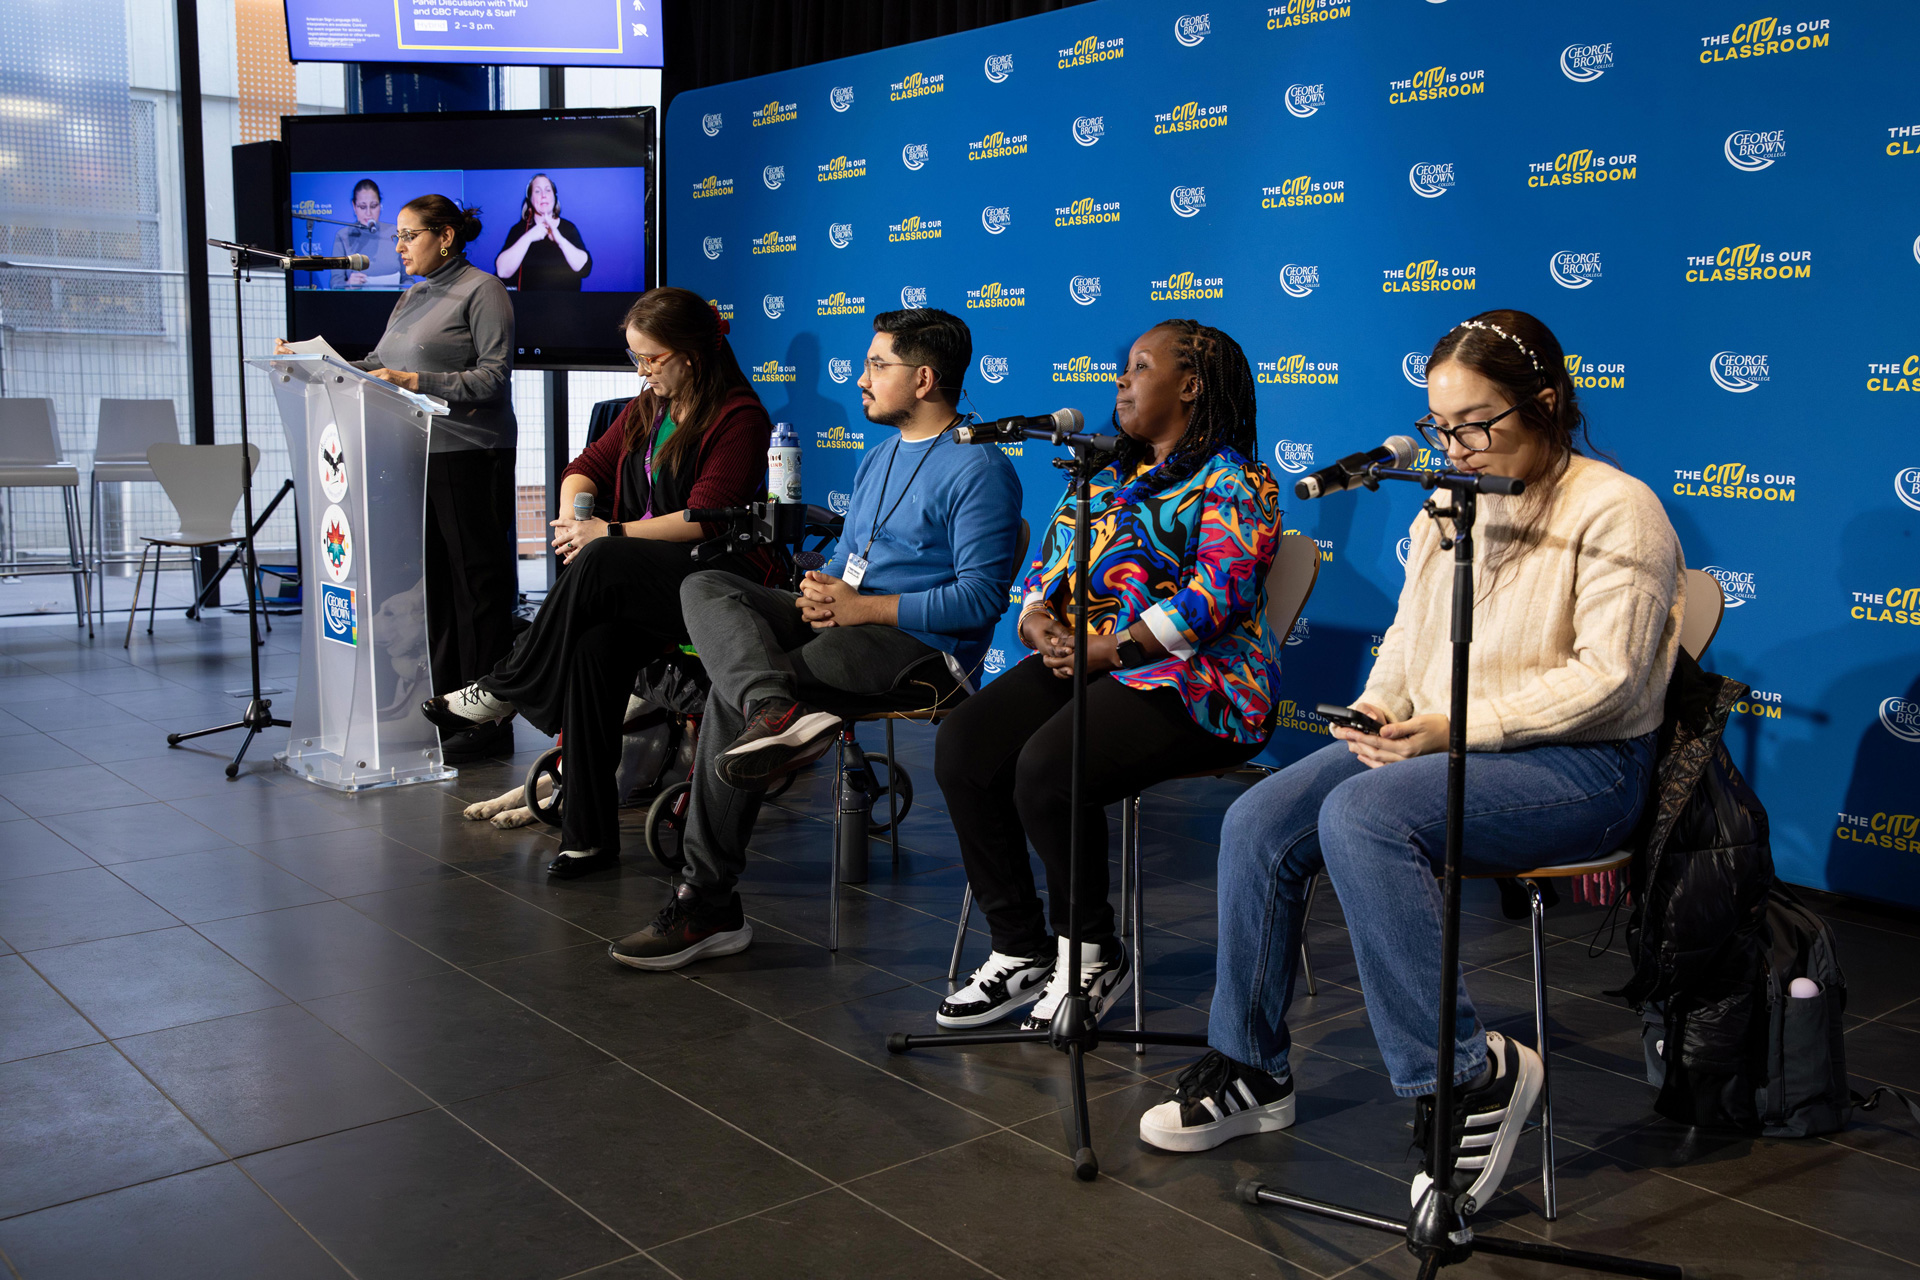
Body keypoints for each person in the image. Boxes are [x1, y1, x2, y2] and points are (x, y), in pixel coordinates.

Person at [1135, 310, 1685, 1222]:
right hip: (1446, 737)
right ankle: (1250, 1067)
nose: (1457, 447)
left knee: (1365, 816)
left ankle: (1464, 1079)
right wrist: (1384, 706)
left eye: (1477, 424)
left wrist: (1454, 729)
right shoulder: (1446, 501)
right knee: (1260, 819)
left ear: (1543, 404)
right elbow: (1409, 637)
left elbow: (1612, 682)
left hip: (1586, 768)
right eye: (1441, 426)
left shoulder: (1615, 507)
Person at [606, 307, 1023, 971]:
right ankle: (772, 710)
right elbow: (848, 561)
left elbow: (980, 602)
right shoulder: (880, 456)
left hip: (920, 649)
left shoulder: (979, 470)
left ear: (923, 379)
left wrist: (862, 608)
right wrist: (818, 588)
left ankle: (707, 900)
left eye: (876, 366)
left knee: (734, 692)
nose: (861, 379)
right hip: (848, 619)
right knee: (707, 585)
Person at [931, 320, 1282, 1032]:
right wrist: (1038, 625)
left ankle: (1090, 950)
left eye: (1141, 367)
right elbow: (1046, 571)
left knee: (1049, 767)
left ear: (1189, 386)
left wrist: (1107, 650)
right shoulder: (1104, 474)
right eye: (1123, 367)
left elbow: (1215, 597)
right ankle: (1020, 946)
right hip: (1091, 664)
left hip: (1202, 685)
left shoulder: (1237, 481)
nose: (1121, 379)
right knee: (965, 745)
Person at [421, 287, 778, 873]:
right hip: (641, 579)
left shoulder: (740, 417)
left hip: (711, 584)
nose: (642, 371)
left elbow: (703, 518)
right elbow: (585, 468)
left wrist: (607, 535)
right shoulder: (650, 408)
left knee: (602, 557)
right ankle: (585, 836)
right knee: (593, 647)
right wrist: (575, 518)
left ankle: (506, 686)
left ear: (690, 354)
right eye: (636, 358)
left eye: (651, 359)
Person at [280, 194, 519, 763]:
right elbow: (376, 363)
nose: (399, 246)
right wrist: (313, 362)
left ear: (446, 238)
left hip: (470, 453)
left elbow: (493, 378)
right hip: (419, 452)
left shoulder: (483, 290)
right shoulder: (413, 294)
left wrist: (414, 378)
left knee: (476, 591)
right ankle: (445, 710)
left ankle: (488, 721)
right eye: (397, 236)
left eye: (409, 235)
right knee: (431, 589)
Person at [493, 173, 591, 291]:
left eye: (548, 190)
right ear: (530, 199)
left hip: (565, 305)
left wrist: (560, 240)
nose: (543, 195)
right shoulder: (518, 230)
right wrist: (528, 237)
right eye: (537, 191)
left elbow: (583, 268)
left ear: (554, 197)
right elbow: (502, 272)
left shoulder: (568, 228)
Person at [329, 178, 403, 289]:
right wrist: (348, 284)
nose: (368, 213)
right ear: (354, 207)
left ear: (380, 205)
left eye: (373, 206)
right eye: (362, 207)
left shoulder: (395, 232)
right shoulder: (343, 236)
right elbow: (335, 283)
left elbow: (408, 280)